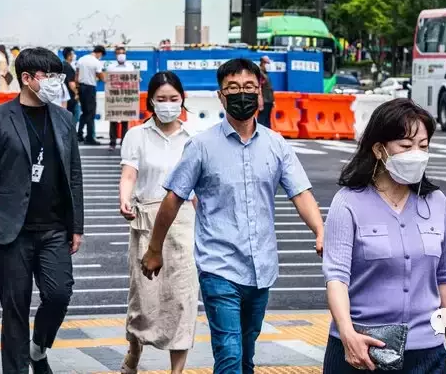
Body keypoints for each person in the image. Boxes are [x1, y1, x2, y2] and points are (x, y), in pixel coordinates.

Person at [142, 58, 324, 374]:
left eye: (249, 88)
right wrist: (155, 249)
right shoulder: (201, 146)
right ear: (220, 96)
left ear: (261, 94)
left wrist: (320, 230)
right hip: (219, 266)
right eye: (233, 88)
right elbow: (173, 199)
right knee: (228, 353)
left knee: (245, 355)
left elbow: (300, 193)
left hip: (261, 268)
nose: (242, 94)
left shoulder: (276, 144)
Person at [323, 98, 446, 374]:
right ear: (379, 149)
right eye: (405, 145)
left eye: (423, 146)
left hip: (427, 354)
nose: (416, 154)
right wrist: (348, 335)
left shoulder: (436, 202)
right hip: (362, 350)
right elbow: (336, 278)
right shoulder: (348, 203)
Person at [0, 48, 85, 374]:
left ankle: (38, 348)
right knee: (15, 308)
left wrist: (77, 226)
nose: (54, 83)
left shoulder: (63, 118)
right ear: (27, 79)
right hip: (11, 229)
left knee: (59, 294)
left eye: (57, 76)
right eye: (48, 76)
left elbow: (73, 173)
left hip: (55, 228)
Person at [118, 72, 197, 374]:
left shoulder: (194, 138)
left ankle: (176, 371)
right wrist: (125, 198)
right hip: (146, 220)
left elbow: (200, 188)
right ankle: (134, 349)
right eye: (161, 99)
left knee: (183, 298)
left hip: (184, 224)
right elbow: (129, 174)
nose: (167, 105)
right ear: (150, 100)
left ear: (182, 100)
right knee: (143, 298)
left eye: (173, 99)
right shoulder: (137, 135)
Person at [75, 45, 105, 146]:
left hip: (81, 87)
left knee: (84, 112)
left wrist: (77, 89)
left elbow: (77, 75)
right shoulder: (96, 62)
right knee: (91, 113)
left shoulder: (81, 59)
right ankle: (90, 137)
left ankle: (79, 134)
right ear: (99, 53)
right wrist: (106, 79)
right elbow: (101, 76)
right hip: (90, 88)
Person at [106, 46, 133, 152]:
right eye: (119, 53)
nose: (121, 55)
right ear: (115, 55)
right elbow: (108, 80)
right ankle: (112, 143)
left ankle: (124, 142)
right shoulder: (111, 67)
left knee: (125, 121)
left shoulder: (130, 67)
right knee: (113, 120)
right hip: (114, 96)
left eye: (123, 53)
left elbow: (133, 80)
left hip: (125, 96)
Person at [62, 47, 79, 126]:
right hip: (70, 96)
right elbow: (71, 83)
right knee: (75, 115)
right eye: (72, 54)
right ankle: (71, 134)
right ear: (69, 56)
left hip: (65, 96)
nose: (74, 56)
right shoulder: (68, 67)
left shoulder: (63, 65)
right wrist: (77, 93)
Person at [258, 56, 274, 129]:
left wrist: (272, 100)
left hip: (269, 100)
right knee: (262, 119)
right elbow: (259, 87)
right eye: (268, 63)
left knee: (267, 119)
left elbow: (269, 88)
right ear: (263, 63)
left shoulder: (265, 74)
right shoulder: (260, 73)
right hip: (264, 100)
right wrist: (260, 100)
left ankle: (267, 136)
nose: (269, 64)